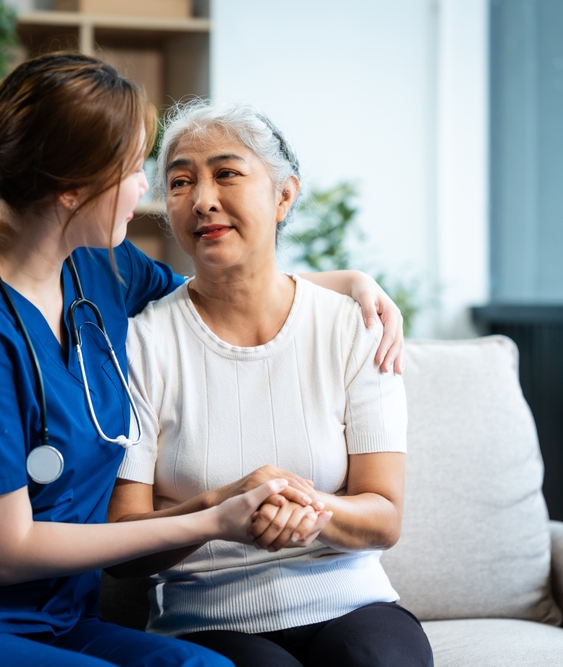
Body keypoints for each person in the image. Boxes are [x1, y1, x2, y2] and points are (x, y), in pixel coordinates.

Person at [0, 54, 405, 667]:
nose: (148, 189)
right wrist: (215, 517)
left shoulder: (98, 268)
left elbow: (226, 288)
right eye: (133, 170)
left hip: (56, 620)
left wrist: (352, 283)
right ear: (73, 190)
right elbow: (5, 554)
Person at [107, 101, 434, 667]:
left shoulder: (355, 326)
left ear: (284, 196)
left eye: (226, 173)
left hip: (351, 602)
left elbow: (384, 516)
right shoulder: (142, 342)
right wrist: (224, 505)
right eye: (180, 182)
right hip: (207, 619)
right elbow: (121, 542)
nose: (202, 199)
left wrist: (303, 507)